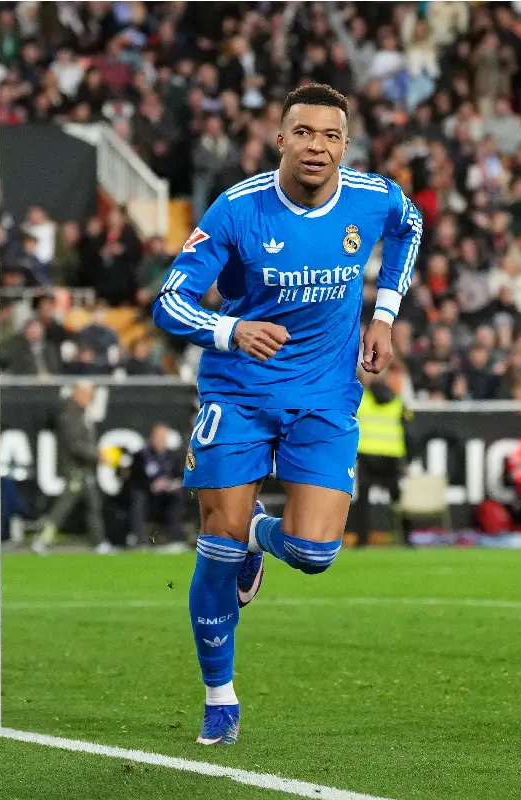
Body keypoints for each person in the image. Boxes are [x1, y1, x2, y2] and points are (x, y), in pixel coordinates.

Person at [151, 83, 421, 745]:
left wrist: (384, 314)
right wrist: (228, 330)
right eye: (304, 133)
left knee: (314, 552)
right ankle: (220, 696)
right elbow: (169, 301)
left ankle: (261, 538)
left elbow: (409, 228)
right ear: (280, 138)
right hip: (239, 392)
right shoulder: (238, 210)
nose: (317, 147)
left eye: (330, 136)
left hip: (326, 397)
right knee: (215, 546)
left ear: (344, 146)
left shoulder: (372, 196)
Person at [32, 381, 114, 555]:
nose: (90, 399)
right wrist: (97, 455)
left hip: (82, 467)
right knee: (64, 507)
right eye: (88, 394)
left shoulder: (77, 412)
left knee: (91, 504)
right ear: (78, 393)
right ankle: (41, 540)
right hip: (75, 468)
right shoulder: (70, 413)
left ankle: (99, 542)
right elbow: (75, 444)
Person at [351, 365, 411, 546]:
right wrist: (409, 457)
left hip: (367, 454)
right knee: (398, 500)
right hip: (391, 456)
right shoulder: (397, 400)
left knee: (363, 502)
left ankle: (362, 540)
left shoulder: (362, 398)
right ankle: (406, 537)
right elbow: (410, 432)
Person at [128, 424, 187, 549]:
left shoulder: (172, 456)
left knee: (178, 495)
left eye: (163, 437)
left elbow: (180, 476)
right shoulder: (141, 455)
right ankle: (138, 539)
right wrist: (153, 485)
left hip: (165, 497)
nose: (160, 441)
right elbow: (135, 479)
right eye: (158, 437)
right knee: (138, 497)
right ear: (151, 438)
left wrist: (170, 484)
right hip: (147, 495)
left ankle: (175, 539)